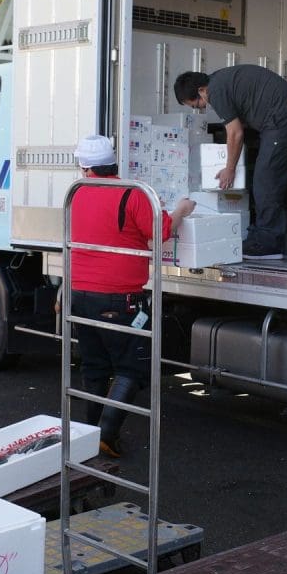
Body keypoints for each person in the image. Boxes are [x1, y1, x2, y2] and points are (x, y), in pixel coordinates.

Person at [69, 134, 195, 457]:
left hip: (81, 296)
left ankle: (90, 438)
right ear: (115, 164)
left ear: (85, 168)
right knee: (131, 368)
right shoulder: (133, 194)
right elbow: (162, 231)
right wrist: (181, 209)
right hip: (121, 299)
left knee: (94, 368)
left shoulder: (76, 195)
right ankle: (107, 434)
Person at [174, 65, 287, 260]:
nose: (202, 107)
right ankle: (264, 234)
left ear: (201, 90)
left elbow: (236, 133)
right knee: (269, 177)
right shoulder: (221, 80)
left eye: (197, 104)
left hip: (284, 118)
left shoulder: (216, 90)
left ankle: (268, 244)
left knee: (266, 180)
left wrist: (229, 169)